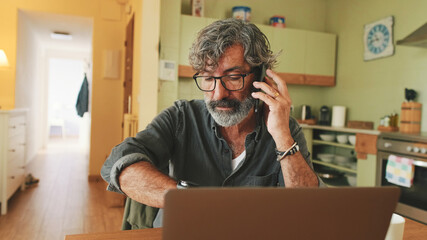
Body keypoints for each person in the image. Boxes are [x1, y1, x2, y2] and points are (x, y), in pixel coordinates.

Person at [101, 18, 323, 229]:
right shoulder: (181, 117)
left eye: (233, 77)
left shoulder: (284, 128)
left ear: (260, 78)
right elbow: (117, 162)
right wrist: (186, 200)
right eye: (208, 78)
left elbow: (308, 209)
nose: (218, 94)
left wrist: (282, 136)